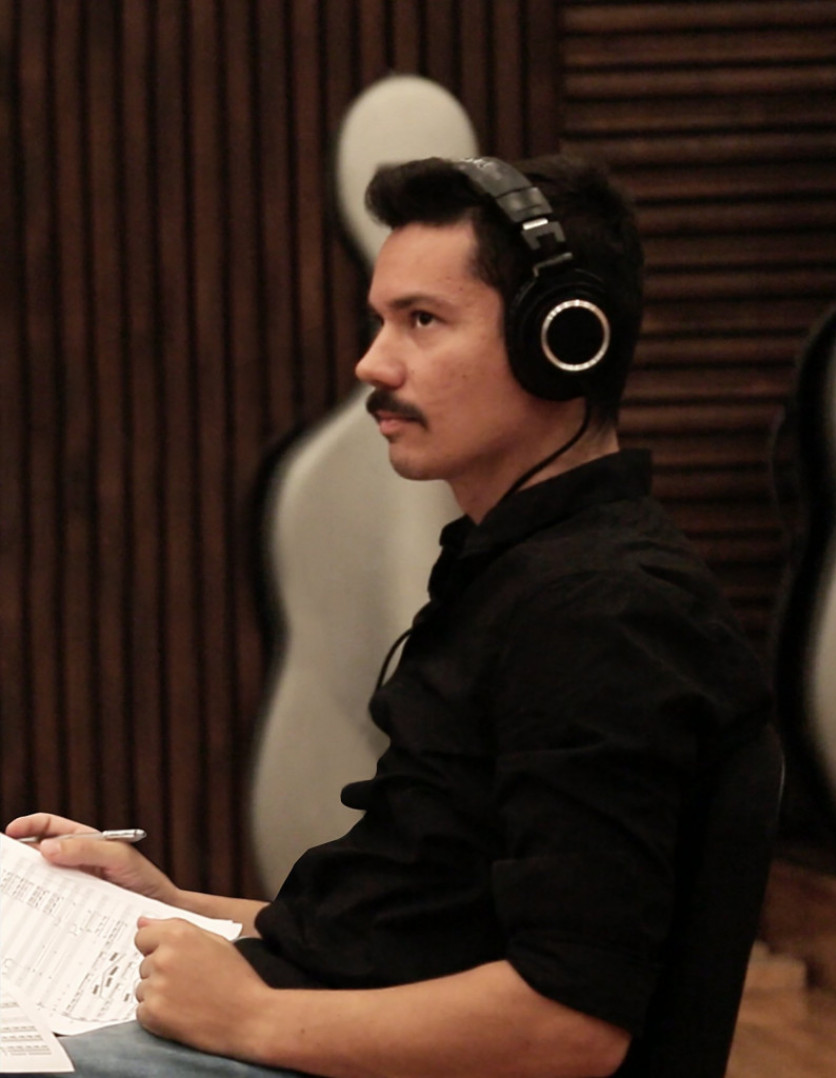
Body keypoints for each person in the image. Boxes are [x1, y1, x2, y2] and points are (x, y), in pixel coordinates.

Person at [6, 155, 771, 1078]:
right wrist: (169, 905)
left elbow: (573, 1024)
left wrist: (252, 1020)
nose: (373, 363)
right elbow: (407, 932)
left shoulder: (607, 616)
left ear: (562, 338)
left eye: (422, 321)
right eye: (381, 320)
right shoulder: (520, 571)